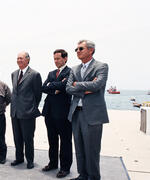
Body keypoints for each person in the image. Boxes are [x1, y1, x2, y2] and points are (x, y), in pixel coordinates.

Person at [66, 40, 109, 180]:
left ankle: (94, 177)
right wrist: (86, 89)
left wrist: (77, 85)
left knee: (92, 149)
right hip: (76, 113)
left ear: (90, 50)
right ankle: (82, 175)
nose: (77, 51)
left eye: (80, 48)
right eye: (76, 49)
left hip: (93, 114)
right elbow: (68, 88)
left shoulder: (101, 66)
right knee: (79, 148)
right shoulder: (74, 69)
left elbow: (98, 84)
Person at [41, 49, 72, 178]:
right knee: (52, 140)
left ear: (65, 59)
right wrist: (56, 87)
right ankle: (53, 163)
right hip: (49, 112)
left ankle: (65, 168)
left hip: (63, 113)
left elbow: (66, 86)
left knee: (65, 141)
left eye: (58, 58)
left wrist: (52, 85)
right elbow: (43, 87)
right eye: (54, 59)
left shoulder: (71, 72)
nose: (56, 61)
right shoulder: (51, 73)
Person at [10, 51, 42, 169]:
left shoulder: (34, 74)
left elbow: (38, 94)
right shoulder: (14, 74)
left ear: (28, 60)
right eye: (17, 58)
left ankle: (30, 160)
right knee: (17, 137)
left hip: (28, 112)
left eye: (21, 58)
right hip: (15, 112)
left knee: (28, 138)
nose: (19, 60)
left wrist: (31, 107)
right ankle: (19, 158)